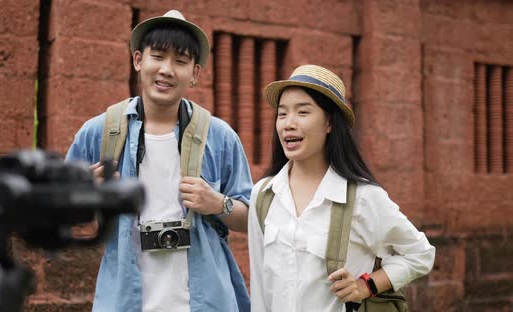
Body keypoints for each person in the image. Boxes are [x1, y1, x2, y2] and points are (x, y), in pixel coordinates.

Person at [66, 10, 253, 312]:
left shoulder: (219, 136)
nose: (167, 70)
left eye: (180, 62)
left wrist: (218, 204)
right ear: (138, 60)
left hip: (206, 301)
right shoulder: (100, 132)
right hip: (126, 300)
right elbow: (60, 211)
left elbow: (252, 219)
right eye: (158, 57)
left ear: (195, 74)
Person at [247, 65, 435, 312]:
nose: (288, 124)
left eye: (303, 112)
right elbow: (261, 291)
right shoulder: (263, 195)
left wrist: (366, 286)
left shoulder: (362, 197)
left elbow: (420, 254)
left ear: (329, 123)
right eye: (282, 114)